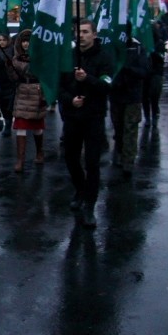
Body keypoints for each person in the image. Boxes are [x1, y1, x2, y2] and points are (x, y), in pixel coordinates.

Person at [58, 19, 114, 228]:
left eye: (85, 32)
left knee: (92, 162)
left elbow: (107, 85)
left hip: (93, 117)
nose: (81, 35)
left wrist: (87, 78)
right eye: (78, 32)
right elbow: (59, 87)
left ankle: (90, 206)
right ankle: (80, 189)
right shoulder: (69, 57)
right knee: (71, 158)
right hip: (73, 117)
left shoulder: (104, 57)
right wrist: (70, 100)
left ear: (93, 34)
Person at [109, 29, 149, 179]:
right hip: (116, 95)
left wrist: (127, 69)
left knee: (130, 129)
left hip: (132, 96)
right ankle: (120, 151)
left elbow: (144, 71)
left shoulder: (138, 48)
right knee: (119, 129)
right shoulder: (112, 47)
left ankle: (128, 162)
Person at [11, 29, 48, 172]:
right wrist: (9, 68)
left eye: (28, 41)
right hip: (22, 91)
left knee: (37, 127)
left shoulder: (40, 57)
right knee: (20, 125)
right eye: (24, 41)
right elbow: (13, 79)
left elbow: (42, 74)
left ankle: (40, 151)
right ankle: (20, 160)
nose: (26, 44)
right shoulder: (16, 58)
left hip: (36, 92)